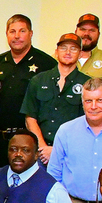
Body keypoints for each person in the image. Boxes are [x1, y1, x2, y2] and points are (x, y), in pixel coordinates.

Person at [0, 15, 57, 169]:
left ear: (31, 34)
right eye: (12, 31)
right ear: (7, 35)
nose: (17, 36)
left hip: (29, 142)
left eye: (22, 31)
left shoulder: (47, 64)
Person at [21, 33, 90, 165]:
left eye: (73, 48)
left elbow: (88, 123)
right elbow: (30, 118)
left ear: (80, 54)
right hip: (40, 153)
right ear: (56, 52)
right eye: (63, 48)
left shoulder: (88, 84)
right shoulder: (38, 80)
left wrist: (57, 150)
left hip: (72, 154)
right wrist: (43, 148)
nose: (68, 52)